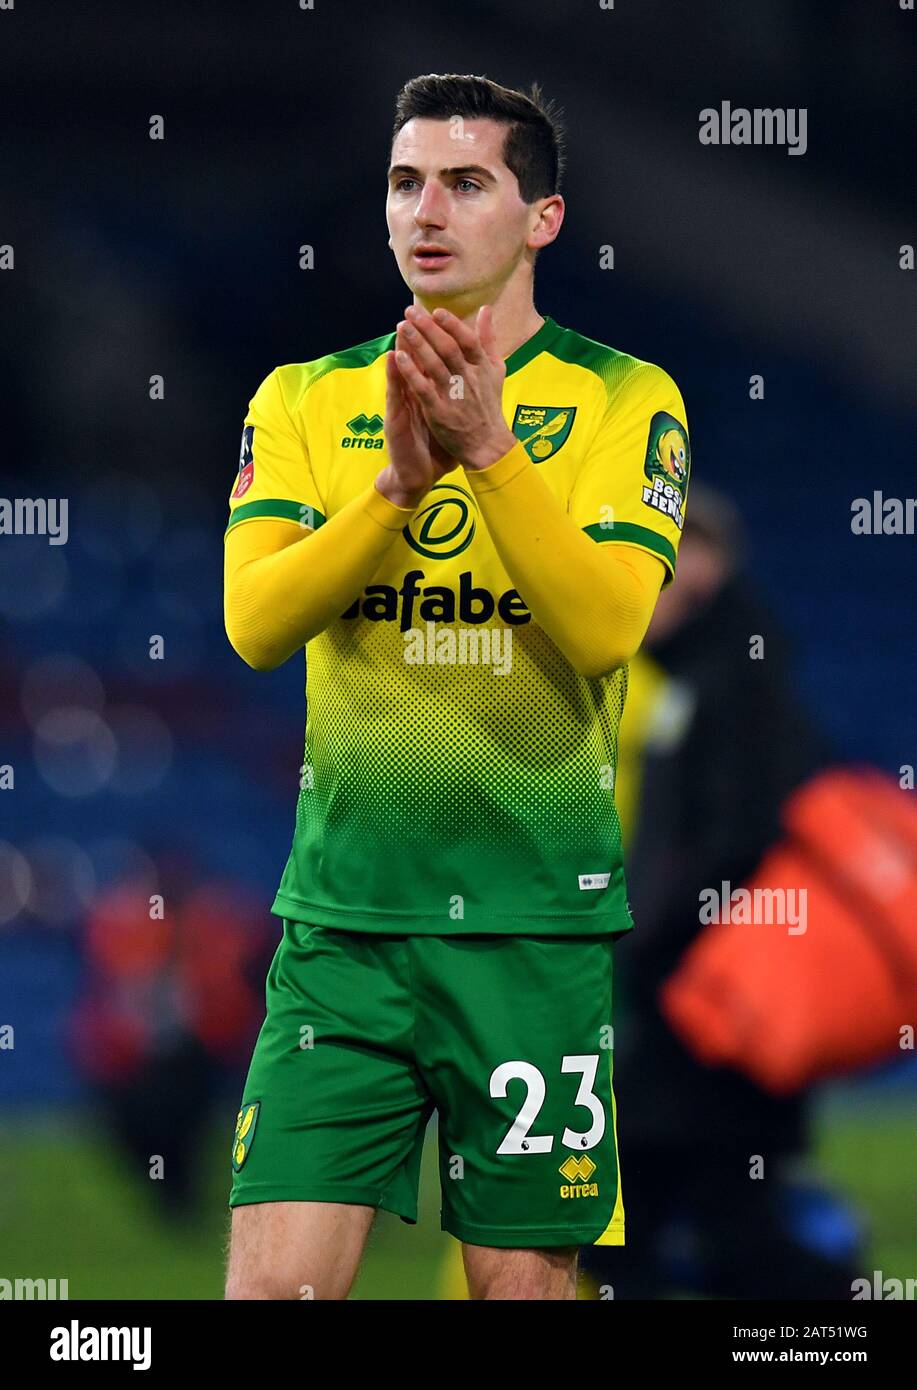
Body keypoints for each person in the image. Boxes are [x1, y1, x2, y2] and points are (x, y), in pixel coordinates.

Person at [222, 72, 691, 1301]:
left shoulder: (624, 397)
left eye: (466, 182)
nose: (425, 210)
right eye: (403, 181)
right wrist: (392, 490)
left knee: (519, 1292)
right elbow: (255, 624)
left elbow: (600, 629)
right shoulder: (308, 398)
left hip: (530, 929)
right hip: (342, 935)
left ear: (540, 217)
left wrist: (484, 452)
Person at [580, 487, 865, 1298]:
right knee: (691, 1226)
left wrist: (643, 936)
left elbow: (736, 840)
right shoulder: (698, 671)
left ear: (701, 568)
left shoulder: (732, 673)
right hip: (708, 1001)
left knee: (673, 1223)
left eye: (650, 570)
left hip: (719, 1006)